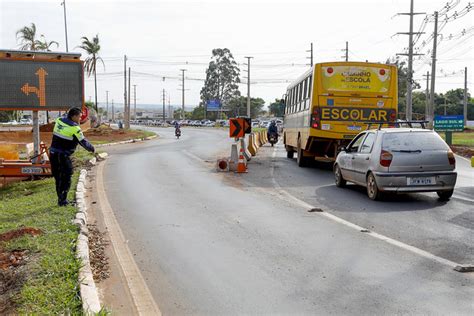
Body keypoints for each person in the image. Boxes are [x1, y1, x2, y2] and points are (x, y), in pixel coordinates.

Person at [50, 107, 95, 206]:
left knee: (58, 177)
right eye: (79, 117)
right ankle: (63, 201)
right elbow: (83, 142)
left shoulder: (59, 121)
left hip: (52, 154)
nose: (80, 119)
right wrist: (92, 149)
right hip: (62, 156)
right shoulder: (75, 128)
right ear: (74, 116)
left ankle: (60, 200)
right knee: (67, 176)